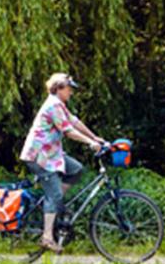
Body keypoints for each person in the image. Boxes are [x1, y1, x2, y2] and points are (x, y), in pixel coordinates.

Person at [20, 73, 107, 252]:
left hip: (52, 154)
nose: (71, 92)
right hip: (39, 156)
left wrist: (94, 136)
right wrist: (90, 143)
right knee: (55, 195)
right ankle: (47, 237)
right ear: (58, 88)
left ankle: (54, 203)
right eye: (69, 88)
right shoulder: (53, 105)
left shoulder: (60, 105)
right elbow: (68, 130)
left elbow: (74, 121)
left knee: (76, 169)